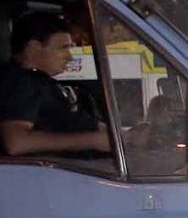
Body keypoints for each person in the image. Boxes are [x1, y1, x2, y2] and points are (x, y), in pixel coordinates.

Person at [0, 11, 112, 158]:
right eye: (63, 48)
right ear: (34, 47)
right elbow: (17, 142)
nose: (70, 57)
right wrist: (92, 141)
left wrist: (126, 137)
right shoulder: (20, 81)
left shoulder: (40, 81)